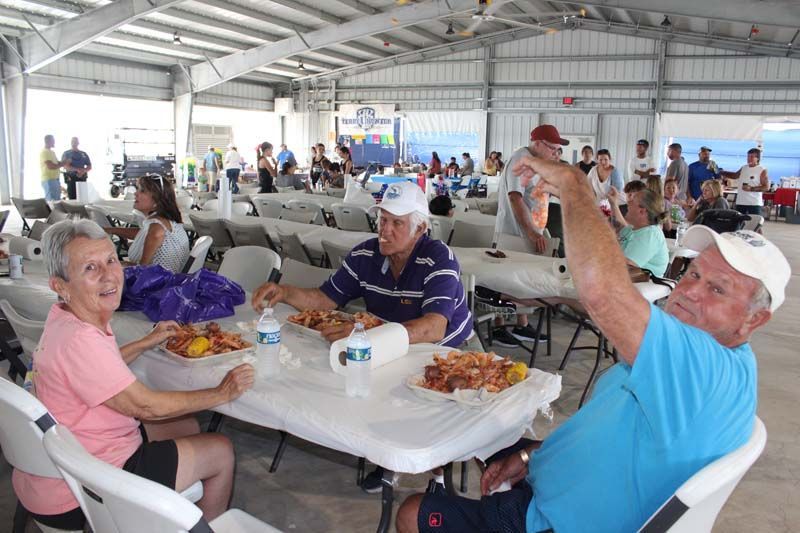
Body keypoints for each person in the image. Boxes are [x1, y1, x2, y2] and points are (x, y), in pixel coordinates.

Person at [396, 153, 790, 533]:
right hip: (556, 483)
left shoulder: (703, 369)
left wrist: (574, 185)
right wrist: (529, 456)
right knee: (479, 425)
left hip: (553, 521)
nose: (689, 292)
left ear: (755, 319)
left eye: (718, 289)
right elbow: (598, 434)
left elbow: (602, 293)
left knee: (413, 512)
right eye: (694, 273)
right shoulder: (706, 361)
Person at [13, 219, 255, 531]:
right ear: (60, 286)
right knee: (220, 450)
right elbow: (146, 406)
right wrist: (222, 393)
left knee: (186, 424)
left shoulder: (67, 317)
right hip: (80, 486)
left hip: (68, 456)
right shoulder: (81, 339)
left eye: (111, 260)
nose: (109, 275)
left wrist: (145, 342)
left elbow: (97, 369)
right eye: (90, 268)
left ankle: (168, 517)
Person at [251, 182, 473, 493]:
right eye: (383, 220)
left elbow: (434, 328)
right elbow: (324, 299)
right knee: (354, 380)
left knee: (423, 399)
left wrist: (373, 335)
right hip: (386, 342)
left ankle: (437, 473)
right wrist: (284, 291)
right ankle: (385, 453)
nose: (385, 230)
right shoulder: (366, 254)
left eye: (397, 223)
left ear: (420, 228)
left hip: (445, 349)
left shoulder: (438, 257)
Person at [492, 124, 567, 347]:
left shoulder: (534, 162)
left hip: (529, 232)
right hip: (515, 233)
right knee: (504, 280)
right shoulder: (521, 160)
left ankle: (521, 324)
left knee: (521, 281)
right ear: (538, 144)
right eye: (552, 148)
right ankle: (498, 327)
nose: (555, 152)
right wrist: (532, 232)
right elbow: (515, 197)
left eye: (557, 149)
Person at [123, 175, 190, 273]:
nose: (135, 193)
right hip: (172, 278)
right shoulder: (168, 221)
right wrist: (112, 230)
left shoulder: (157, 228)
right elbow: (143, 234)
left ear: (157, 200)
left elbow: (142, 269)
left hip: (159, 281)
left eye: (142, 191)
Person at [607, 186, 670, 276]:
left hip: (642, 283)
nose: (628, 202)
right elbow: (618, 225)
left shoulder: (649, 235)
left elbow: (624, 268)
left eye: (632, 200)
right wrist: (613, 204)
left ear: (642, 211)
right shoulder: (634, 229)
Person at [721, 148, 769, 216]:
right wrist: (722, 172)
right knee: (739, 221)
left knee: (754, 222)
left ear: (758, 158)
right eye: (748, 156)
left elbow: (766, 187)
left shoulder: (762, 170)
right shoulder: (744, 167)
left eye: (751, 157)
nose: (748, 159)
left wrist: (751, 188)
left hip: (754, 204)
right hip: (740, 202)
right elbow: (735, 176)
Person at [40, 134, 63, 201]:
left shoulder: (52, 152)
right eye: (53, 140)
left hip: (55, 180)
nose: (54, 142)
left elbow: (57, 163)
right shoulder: (44, 152)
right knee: (52, 202)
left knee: (57, 201)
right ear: (48, 141)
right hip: (49, 180)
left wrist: (65, 162)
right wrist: (63, 164)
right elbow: (51, 166)